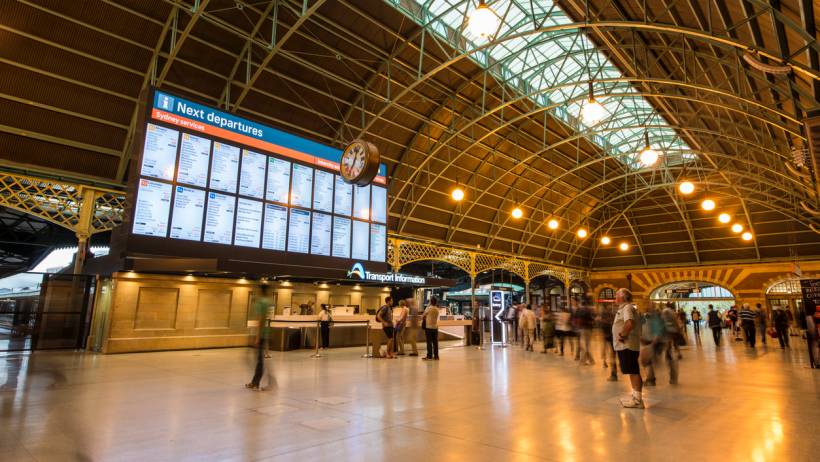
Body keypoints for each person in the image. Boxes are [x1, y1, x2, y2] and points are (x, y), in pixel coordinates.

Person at [612, 288, 643, 408]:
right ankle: (635, 396)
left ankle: (637, 400)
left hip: (627, 345)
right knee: (632, 370)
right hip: (627, 345)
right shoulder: (625, 308)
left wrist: (622, 336)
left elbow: (629, 323)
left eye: (616, 295)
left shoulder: (627, 308)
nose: (615, 297)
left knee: (633, 371)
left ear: (623, 297)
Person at [246, 284, 273, 391]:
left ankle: (257, 383)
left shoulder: (260, 302)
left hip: (261, 334)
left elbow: (260, 319)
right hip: (266, 332)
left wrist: (257, 336)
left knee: (259, 360)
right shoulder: (268, 302)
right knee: (259, 359)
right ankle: (255, 382)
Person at [599, 304, 617, 381]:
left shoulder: (605, 320)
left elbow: (603, 329)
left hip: (611, 337)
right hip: (613, 337)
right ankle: (613, 372)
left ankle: (613, 374)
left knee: (612, 355)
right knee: (612, 355)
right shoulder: (613, 317)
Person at [576, 296, 595, 365]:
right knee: (586, 345)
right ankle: (590, 360)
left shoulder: (581, 310)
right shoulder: (590, 310)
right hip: (589, 329)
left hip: (583, 329)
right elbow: (593, 319)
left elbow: (578, 319)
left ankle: (584, 361)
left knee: (584, 346)